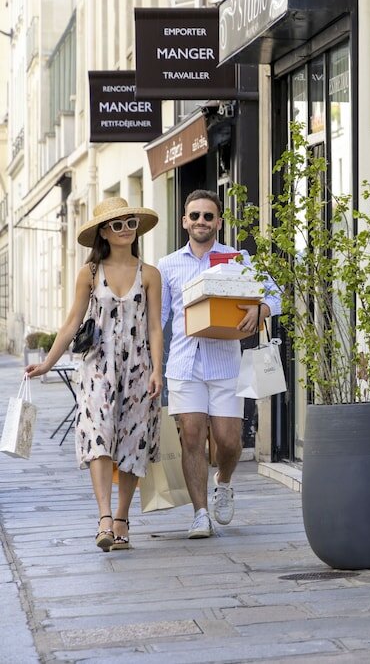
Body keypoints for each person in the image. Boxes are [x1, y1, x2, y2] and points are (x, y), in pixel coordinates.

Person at [26, 197, 163, 552]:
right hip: (97, 367)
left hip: (138, 368)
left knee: (134, 444)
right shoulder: (89, 273)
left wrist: (157, 371)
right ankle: (104, 518)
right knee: (99, 437)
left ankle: (121, 517)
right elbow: (71, 323)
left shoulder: (149, 274)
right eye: (116, 225)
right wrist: (47, 364)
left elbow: (154, 329)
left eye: (129, 222)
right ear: (104, 231)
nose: (125, 229)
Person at [158, 190, 280, 539]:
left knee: (228, 441)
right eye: (194, 215)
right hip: (184, 364)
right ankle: (200, 514)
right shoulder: (168, 266)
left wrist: (261, 309)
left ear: (219, 222)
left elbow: (274, 295)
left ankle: (223, 481)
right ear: (184, 222)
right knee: (192, 437)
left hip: (226, 362)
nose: (201, 221)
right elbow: (160, 318)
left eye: (208, 216)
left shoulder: (236, 258)